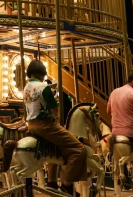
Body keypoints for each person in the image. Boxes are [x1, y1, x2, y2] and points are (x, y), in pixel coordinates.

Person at [23, 59, 87, 196]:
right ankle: (67, 185)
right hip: (46, 125)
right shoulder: (43, 87)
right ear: (42, 74)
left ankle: (51, 182)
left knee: (56, 148)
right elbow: (54, 109)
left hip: (31, 125)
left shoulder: (26, 87)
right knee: (79, 149)